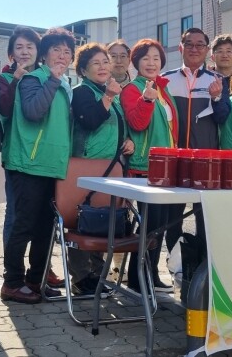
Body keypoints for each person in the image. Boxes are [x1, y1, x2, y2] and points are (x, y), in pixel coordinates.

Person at [1, 28, 73, 304]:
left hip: (53, 165)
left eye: (67, 51)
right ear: (44, 54)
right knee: (24, 224)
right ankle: (12, 282)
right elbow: (33, 112)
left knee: (45, 227)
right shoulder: (33, 79)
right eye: (56, 50)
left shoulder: (64, 84)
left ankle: (36, 279)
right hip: (28, 164)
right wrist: (53, 80)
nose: (62, 55)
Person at [69, 42, 135, 295]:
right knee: (81, 220)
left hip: (110, 167)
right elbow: (90, 121)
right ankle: (80, 277)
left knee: (102, 220)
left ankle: (98, 274)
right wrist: (108, 96)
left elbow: (119, 126)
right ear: (83, 70)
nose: (102, 66)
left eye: (105, 62)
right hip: (86, 166)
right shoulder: (82, 92)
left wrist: (128, 141)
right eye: (95, 63)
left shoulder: (110, 94)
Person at [161, 27, 231, 254]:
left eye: (200, 45)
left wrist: (216, 98)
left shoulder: (217, 80)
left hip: (205, 159)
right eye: (189, 44)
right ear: (180, 48)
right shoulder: (165, 79)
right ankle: (174, 263)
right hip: (174, 158)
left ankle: (201, 265)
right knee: (172, 216)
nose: (194, 49)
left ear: (207, 50)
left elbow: (222, 117)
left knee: (204, 215)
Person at [121, 38, 179, 293]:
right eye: (146, 58)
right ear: (136, 62)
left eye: (156, 58)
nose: (151, 63)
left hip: (167, 166)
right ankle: (139, 278)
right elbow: (137, 124)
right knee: (150, 224)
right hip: (146, 165)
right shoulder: (132, 90)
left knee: (159, 224)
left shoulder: (163, 90)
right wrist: (146, 100)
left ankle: (150, 273)